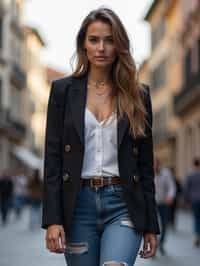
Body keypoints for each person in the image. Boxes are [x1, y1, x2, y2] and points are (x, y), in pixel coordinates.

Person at [42, 7, 160, 266]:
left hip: (123, 203)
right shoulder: (62, 91)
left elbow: (146, 167)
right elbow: (53, 160)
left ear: (119, 45)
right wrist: (53, 219)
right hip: (77, 205)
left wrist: (152, 224)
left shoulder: (138, 95)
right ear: (83, 44)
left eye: (109, 40)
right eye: (94, 40)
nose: (101, 47)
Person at [154, 158, 176, 255]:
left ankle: (161, 244)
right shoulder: (147, 173)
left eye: (157, 164)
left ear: (159, 164)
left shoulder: (166, 173)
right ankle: (153, 246)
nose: (155, 166)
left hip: (163, 203)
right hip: (152, 204)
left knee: (164, 224)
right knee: (152, 225)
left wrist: (170, 196)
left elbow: (172, 186)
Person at [184, 158, 200, 247]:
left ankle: (197, 235)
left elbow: (186, 188)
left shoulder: (190, 175)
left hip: (194, 200)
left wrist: (186, 200)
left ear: (194, 164)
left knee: (196, 218)